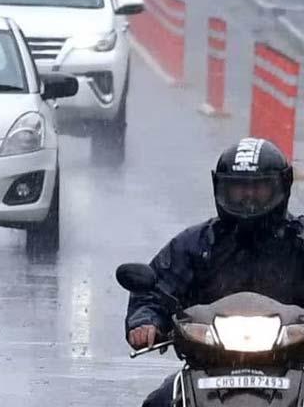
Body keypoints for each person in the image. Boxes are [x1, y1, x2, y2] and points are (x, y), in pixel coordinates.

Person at [125, 137, 304, 407]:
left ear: (282, 186)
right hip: (208, 365)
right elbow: (155, 288)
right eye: (239, 188)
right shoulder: (196, 245)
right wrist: (145, 322)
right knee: (159, 402)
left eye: (258, 188)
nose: (249, 197)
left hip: (294, 363)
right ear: (220, 188)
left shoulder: (299, 242)